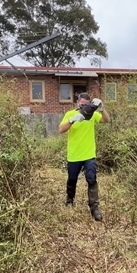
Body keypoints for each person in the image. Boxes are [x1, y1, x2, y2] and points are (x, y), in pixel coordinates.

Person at [58, 92, 110, 222]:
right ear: (78, 103)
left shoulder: (92, 115)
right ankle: (70, 201)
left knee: (92, 179)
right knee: (72, 179)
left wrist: (102, 109)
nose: (84, 108)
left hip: (89, 155)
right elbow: (60, 129)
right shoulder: (70, 114)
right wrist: (72, 120)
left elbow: (106, 120)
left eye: (86, 105)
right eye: (82, 105)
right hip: (74, 155)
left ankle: (94, 208)